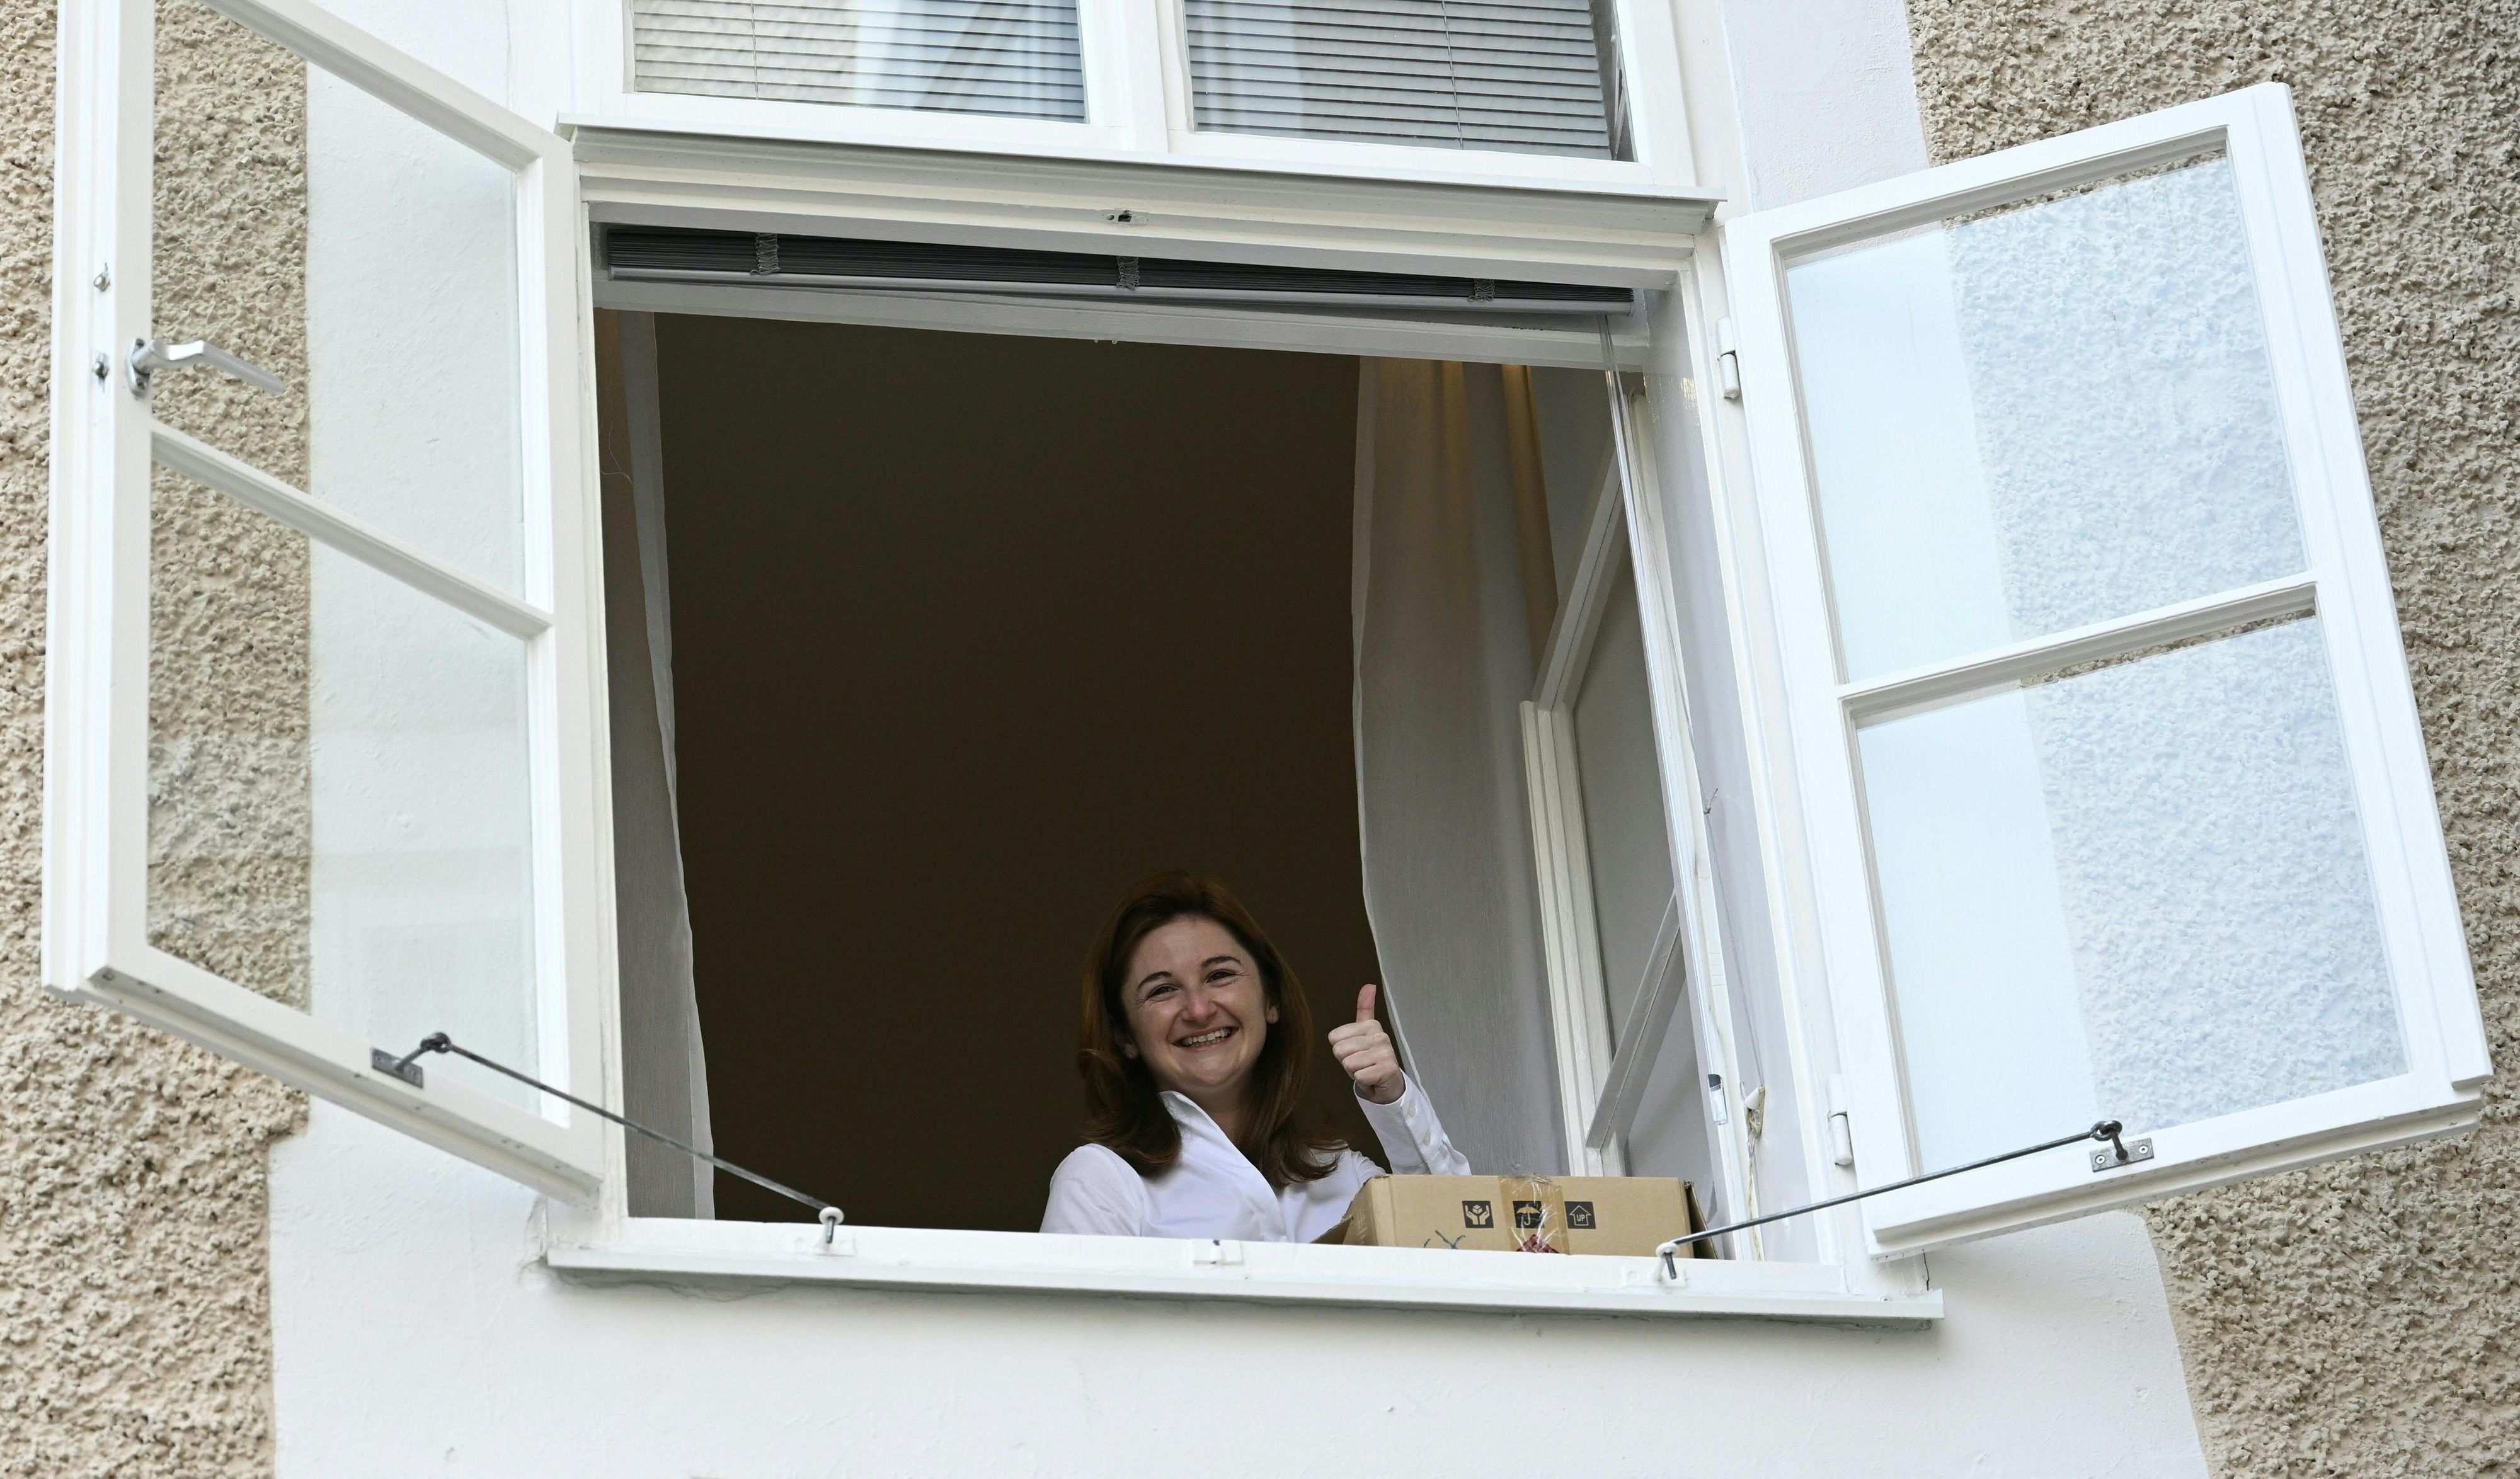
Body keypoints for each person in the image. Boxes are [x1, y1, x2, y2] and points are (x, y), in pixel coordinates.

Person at [1040, 871, 1470, 1242]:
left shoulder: (1342, 1174)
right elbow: (1074, 1338)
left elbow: (1463, 1247)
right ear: (1125, 1036)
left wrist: (1392, 1099)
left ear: (1271, 1000)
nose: (1199, 1009)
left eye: (1220, 975)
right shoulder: (1101, 1182)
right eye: (1162, 990)